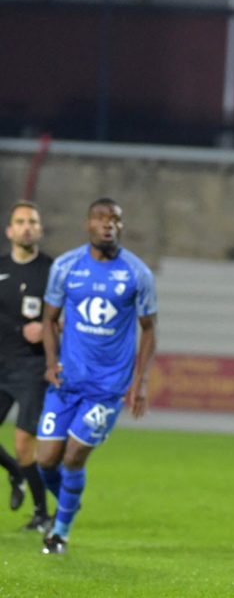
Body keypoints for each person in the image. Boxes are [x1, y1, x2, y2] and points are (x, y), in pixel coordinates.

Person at [36, 198, 158, 555]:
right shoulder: (65, 266)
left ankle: (60, 532)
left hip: (106, 387)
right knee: (46, 460)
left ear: (122, 226)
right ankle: (70, 502)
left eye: (115, 220)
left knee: (73, 456)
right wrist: (50, 361)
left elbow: (149, 329)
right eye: (101, 218)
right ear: (87, 223)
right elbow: (48, 318)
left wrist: (141, 381)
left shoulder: (137, 273)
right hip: (67, 381)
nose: (108, 225)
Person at [0, 200, 53, 531]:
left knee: (24, 445)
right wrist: (21, 329)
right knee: (19, 455)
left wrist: (48, 329)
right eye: (20, 222)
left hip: (32, 369)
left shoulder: (51, 270)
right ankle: (16, 473)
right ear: (10, 230)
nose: (26, 227)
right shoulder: (0, 269)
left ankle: (41, 514)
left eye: (32, 221)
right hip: (0, 364)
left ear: (40, 230)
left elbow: (64, 315)